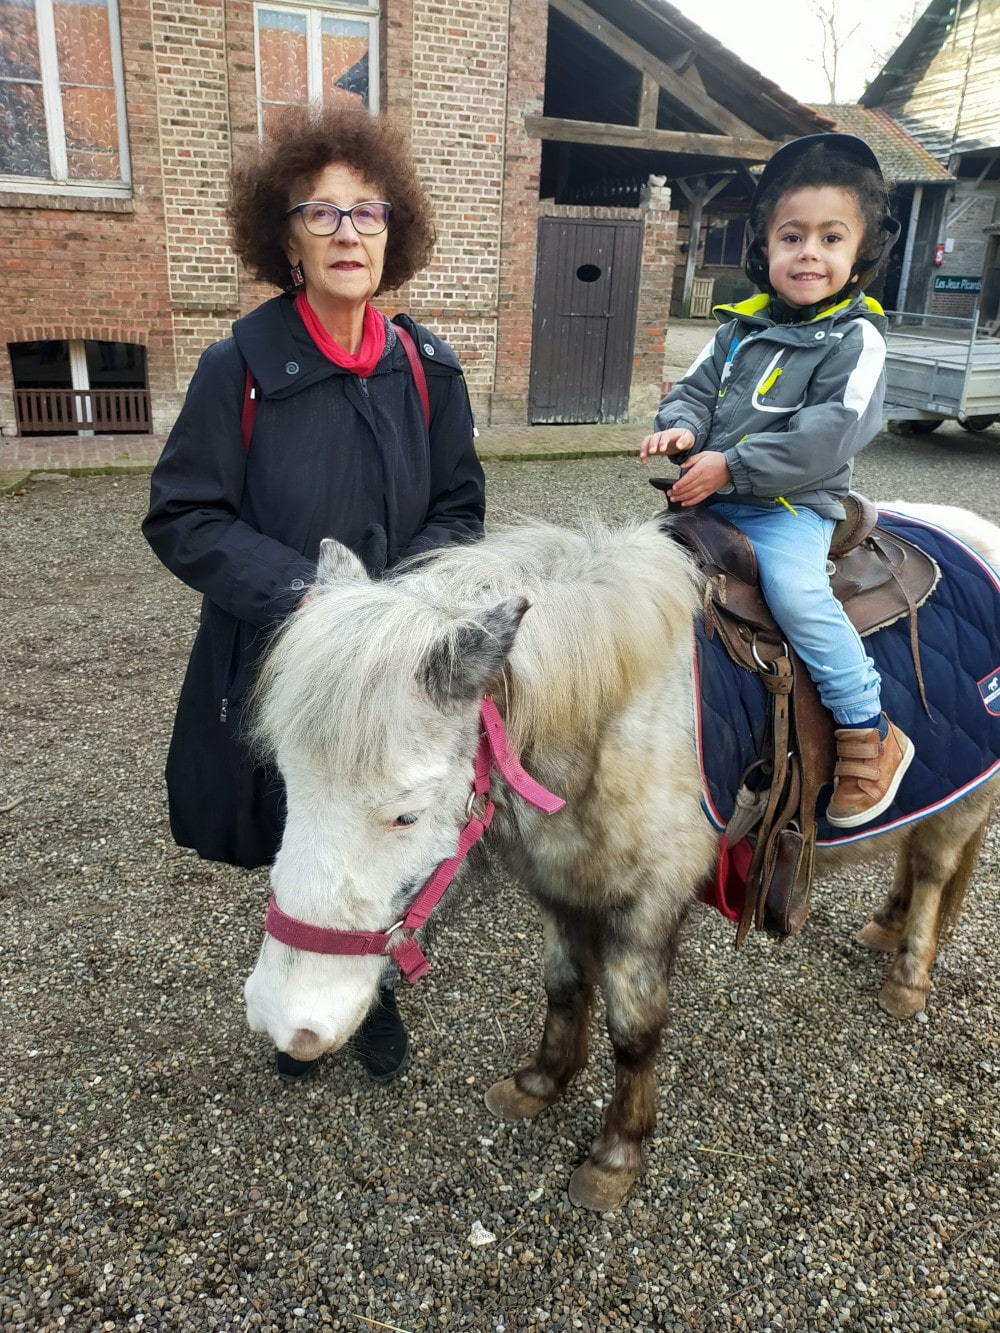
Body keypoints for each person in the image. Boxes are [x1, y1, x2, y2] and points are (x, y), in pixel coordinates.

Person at [143, 104, 485, 1084]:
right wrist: (311, 600)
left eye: (366, 213)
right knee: (303, 839)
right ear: (284, 235)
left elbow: (460, 510)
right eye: (321, 213)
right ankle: (296, 989)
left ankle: (366, 995)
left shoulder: (427, 369)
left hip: (398, 675)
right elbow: (184, 516)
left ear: (394, 232)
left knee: (382, 836)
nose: (347, 232)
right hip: (280, 662)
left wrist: (398, 622)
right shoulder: (237, 368)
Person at [640, 133, 912, 829]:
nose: (809, 253)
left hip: (792, 505)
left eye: (830, 237)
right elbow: (695, 391)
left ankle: (867, 730)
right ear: (765, 247)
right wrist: (683, 429)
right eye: (792, 236)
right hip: (716, 496)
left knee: (796, 594)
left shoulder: (857, 340)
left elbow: (831, 433)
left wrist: (734, 463)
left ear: (860, 254)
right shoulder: (736, 330)